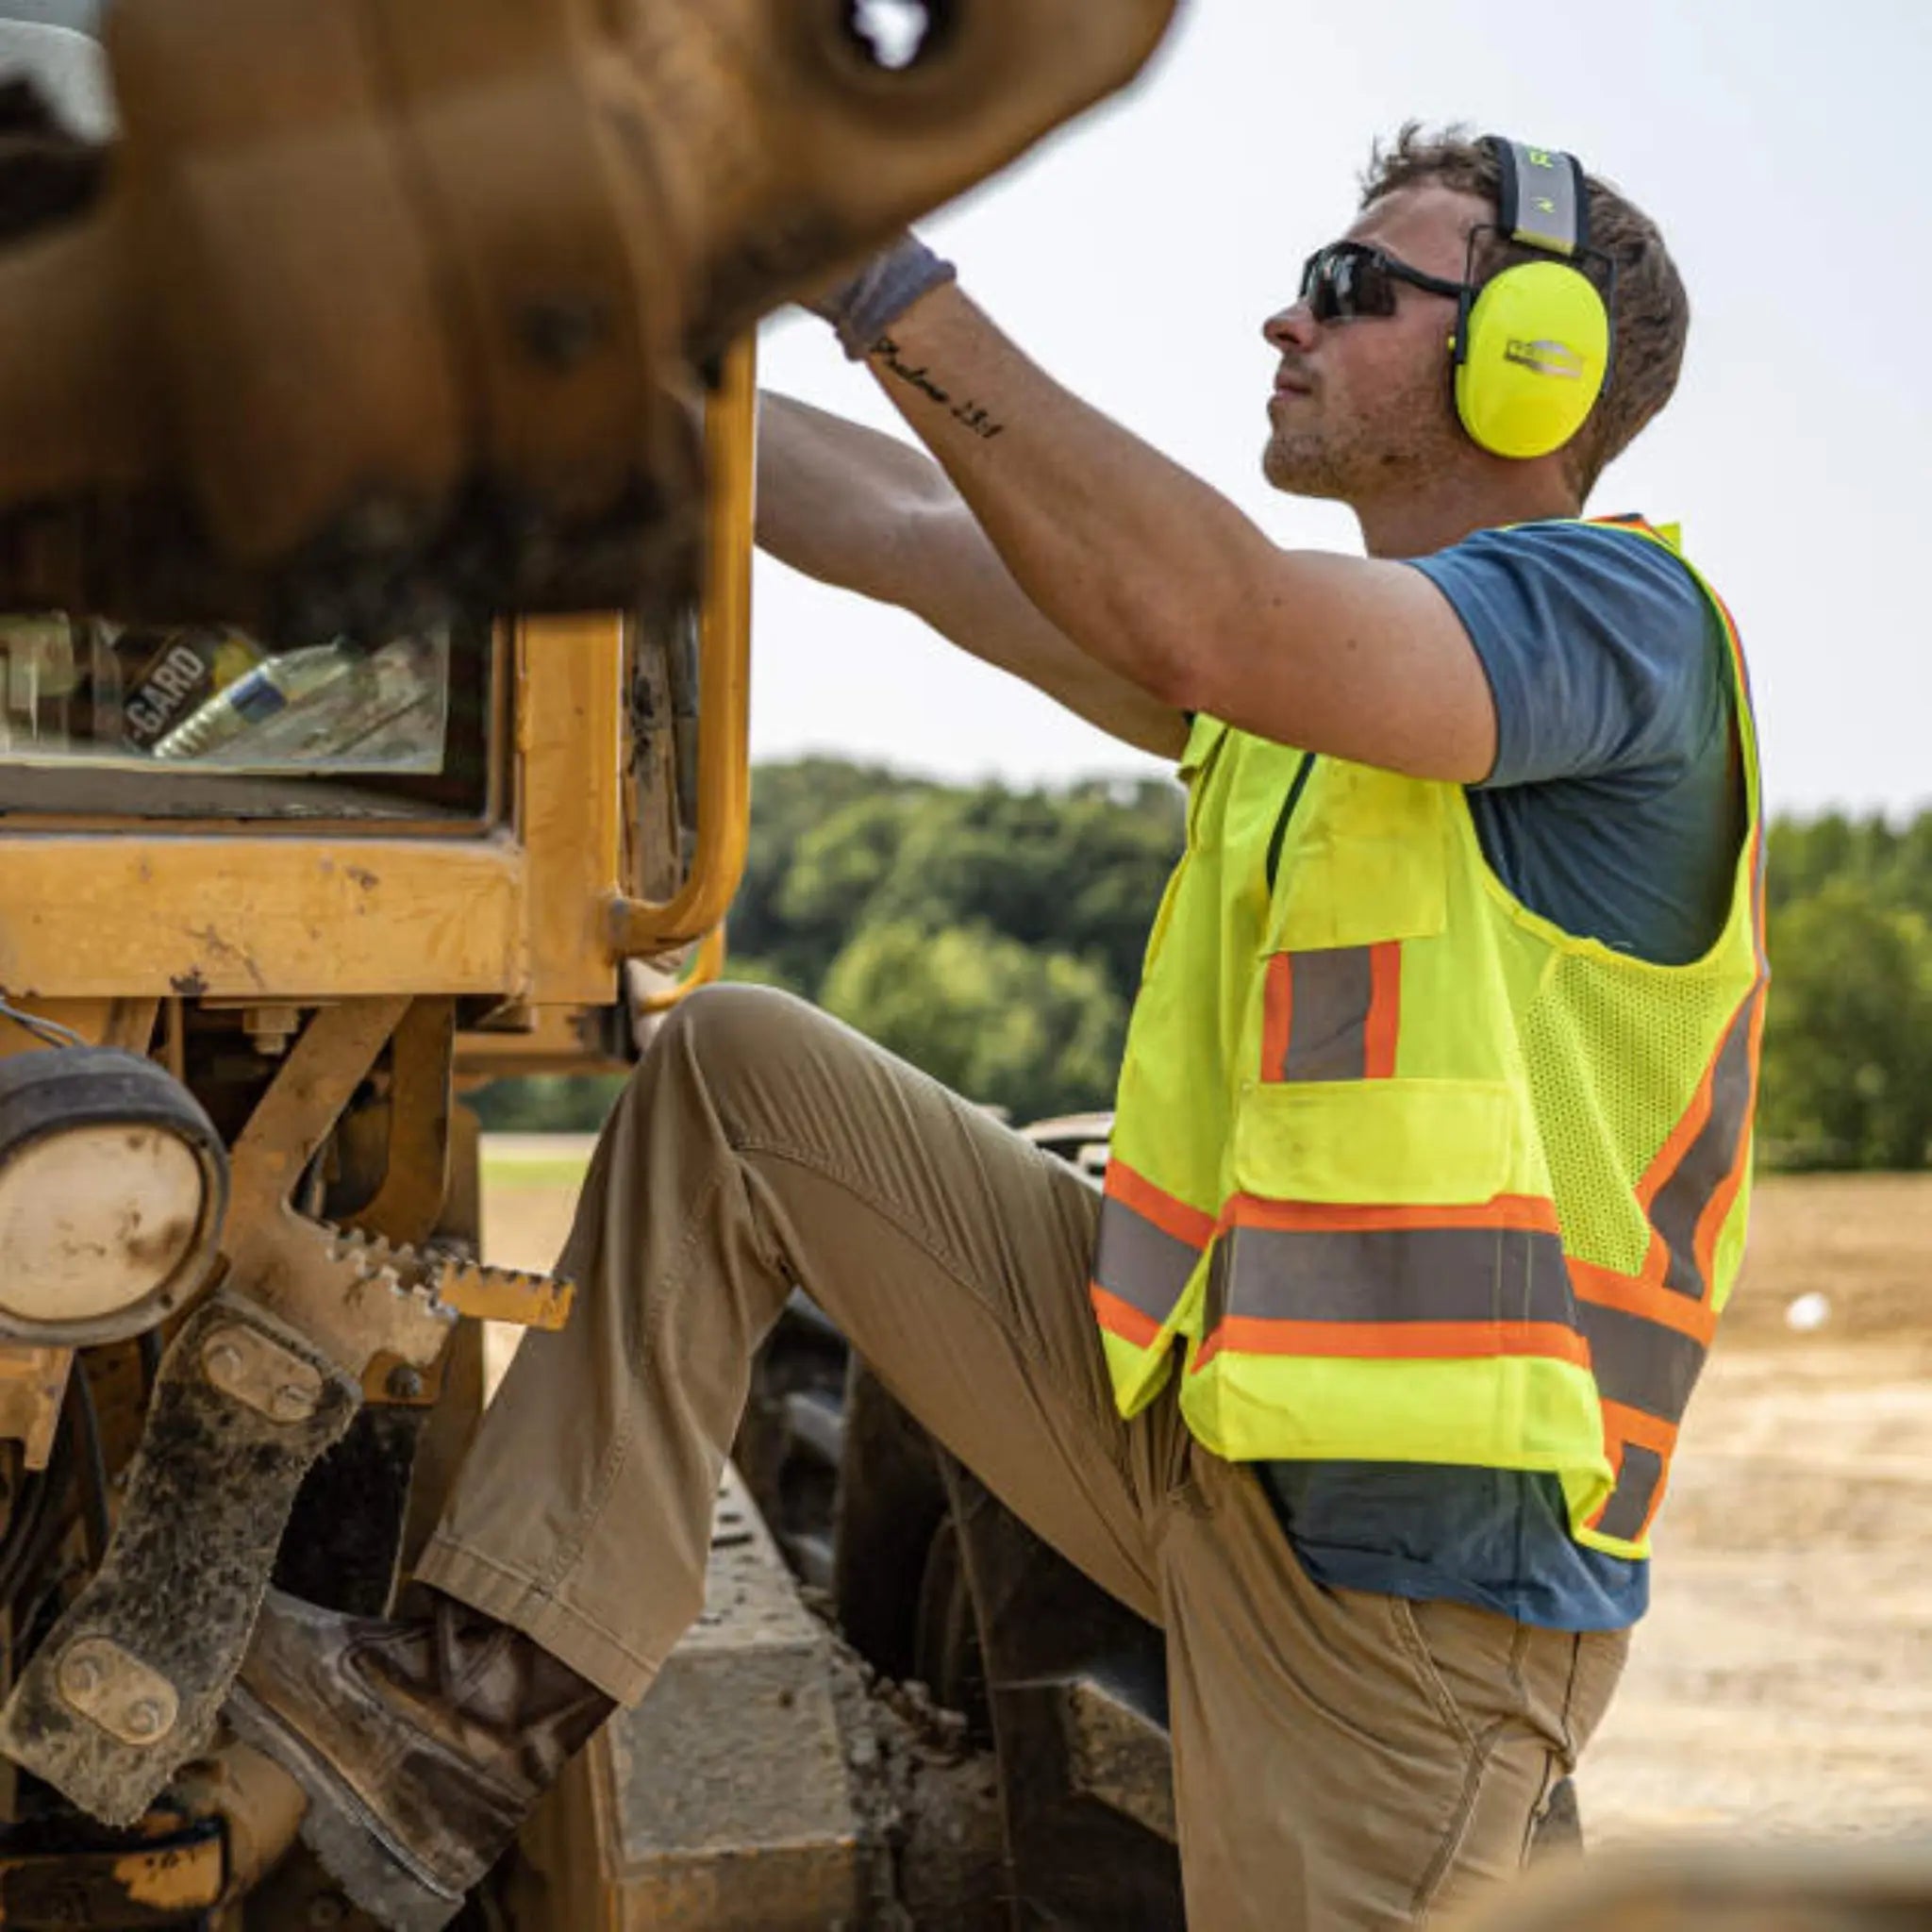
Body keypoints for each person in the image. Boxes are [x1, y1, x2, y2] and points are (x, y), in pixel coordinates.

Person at [225, 125, 1767, 1932]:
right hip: (1188, 1443)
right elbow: (902, 528)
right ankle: (459, 1711)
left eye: (1352, 288)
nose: (1288, 318)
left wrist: (881, 285)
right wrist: (621, 390)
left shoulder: (1621, 626)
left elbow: (1207, 610)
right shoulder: (1319, 695)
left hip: (1410, 1610)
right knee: (736, 1074)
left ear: (1536, 360)